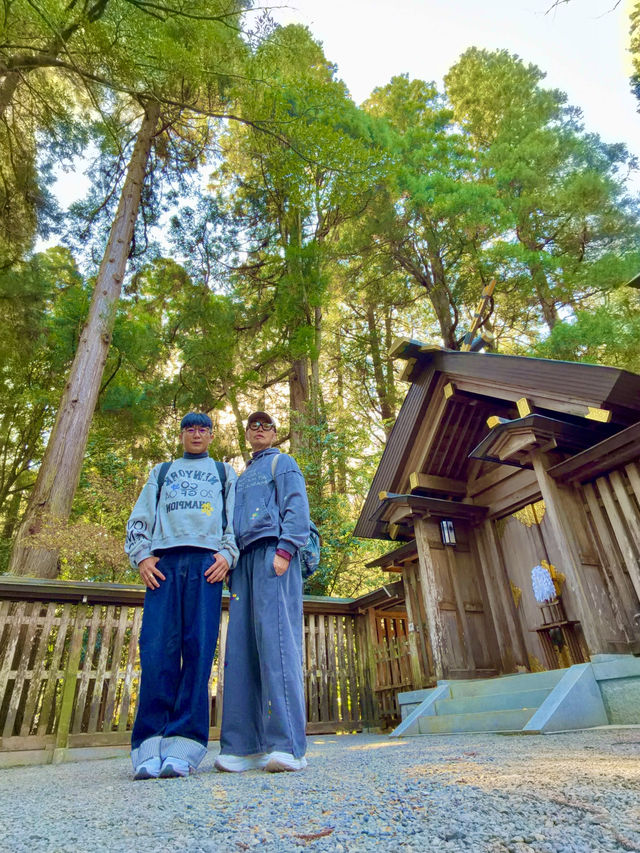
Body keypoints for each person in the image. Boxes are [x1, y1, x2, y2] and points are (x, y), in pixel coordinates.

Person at [125, 412, 238, 779]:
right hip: (164, 564)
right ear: (181, 435)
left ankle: (184, 745)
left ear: (211, 435)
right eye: (190, 429)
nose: (196, 434)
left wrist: (227, 555)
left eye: (203, 429)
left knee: (198, 650)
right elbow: (140, 517)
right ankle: (149, 744)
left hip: (207, 564)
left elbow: (234, 520)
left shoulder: (223, 472)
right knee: (157, 649)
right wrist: (142, 555)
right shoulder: (162, 472)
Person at [215, 411, 310, 773]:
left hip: (273, 554)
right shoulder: (240, 477)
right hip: (242, 563)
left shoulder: (282, 463)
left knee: (277, 644)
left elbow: (297, 507)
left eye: (266, 425)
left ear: (274, 432)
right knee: (240, 651)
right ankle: (243, 747)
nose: (259, 430)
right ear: (247, 434)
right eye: (253, 425)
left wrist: (285, 550)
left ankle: (288, 746)